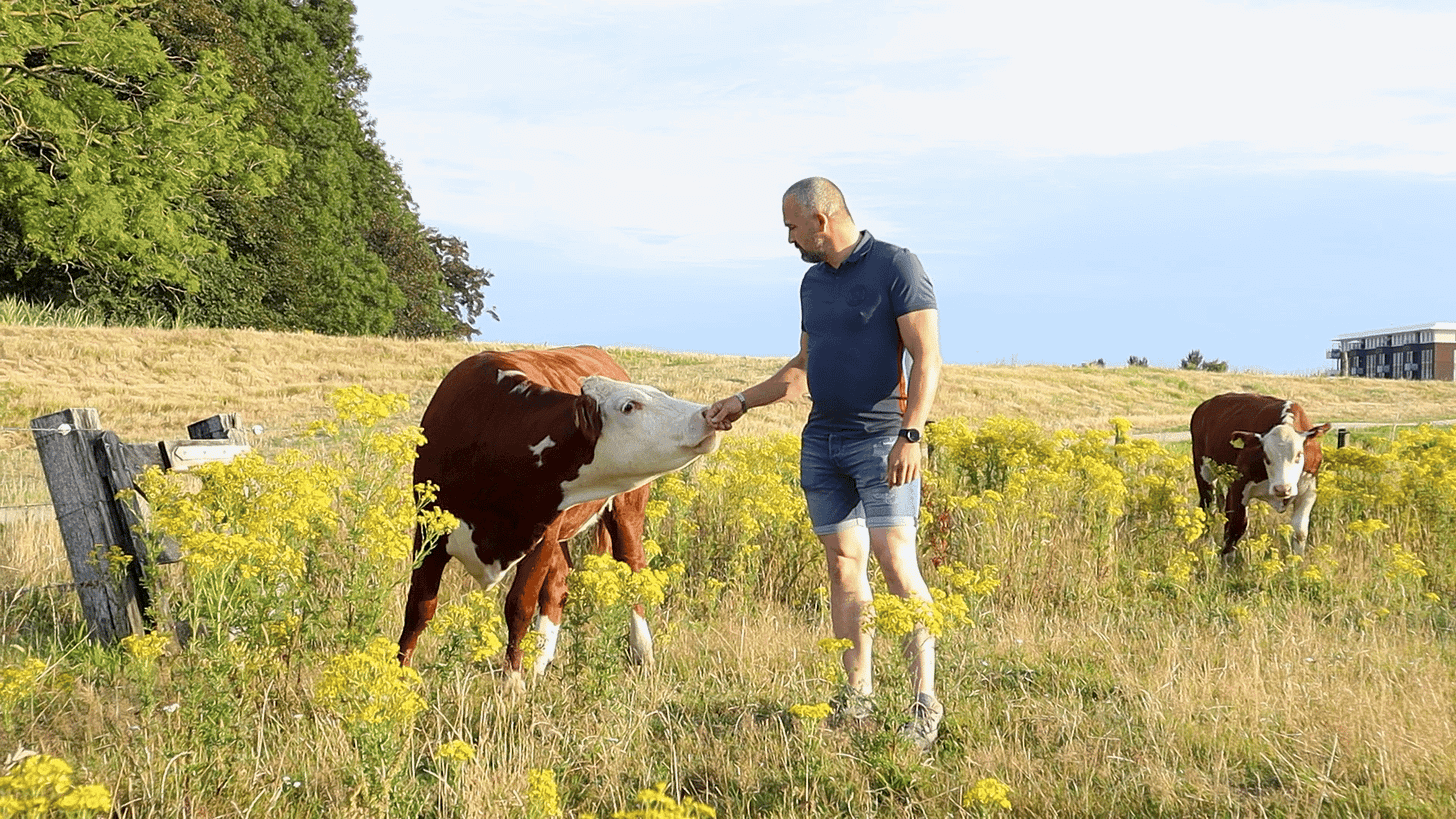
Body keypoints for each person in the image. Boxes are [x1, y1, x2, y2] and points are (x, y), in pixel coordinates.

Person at [705, 177, 944, 750]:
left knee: (895, 563)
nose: (788, 238)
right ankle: (857, 699)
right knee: (843, 568)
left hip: (883, 438)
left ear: (821, 219)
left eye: (791, 226)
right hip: (824, 440)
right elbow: (804, 365)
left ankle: (925, 703)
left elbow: (927, 356)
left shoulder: (897, 266)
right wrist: (741, 401)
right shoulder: (812, 282)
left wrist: (911, 434)